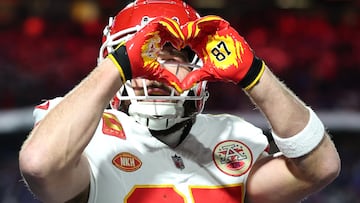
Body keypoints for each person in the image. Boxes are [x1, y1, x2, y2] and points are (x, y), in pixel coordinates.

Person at [19, 0, 340, 202]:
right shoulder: (88, 135)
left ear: (199, 65)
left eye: (173, 54)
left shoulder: (231, 137)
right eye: (144, 55)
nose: (157, 68)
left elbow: (320, 168)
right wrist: (118, 66)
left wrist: (256, 75)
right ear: (115, 62)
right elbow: (39, 165)